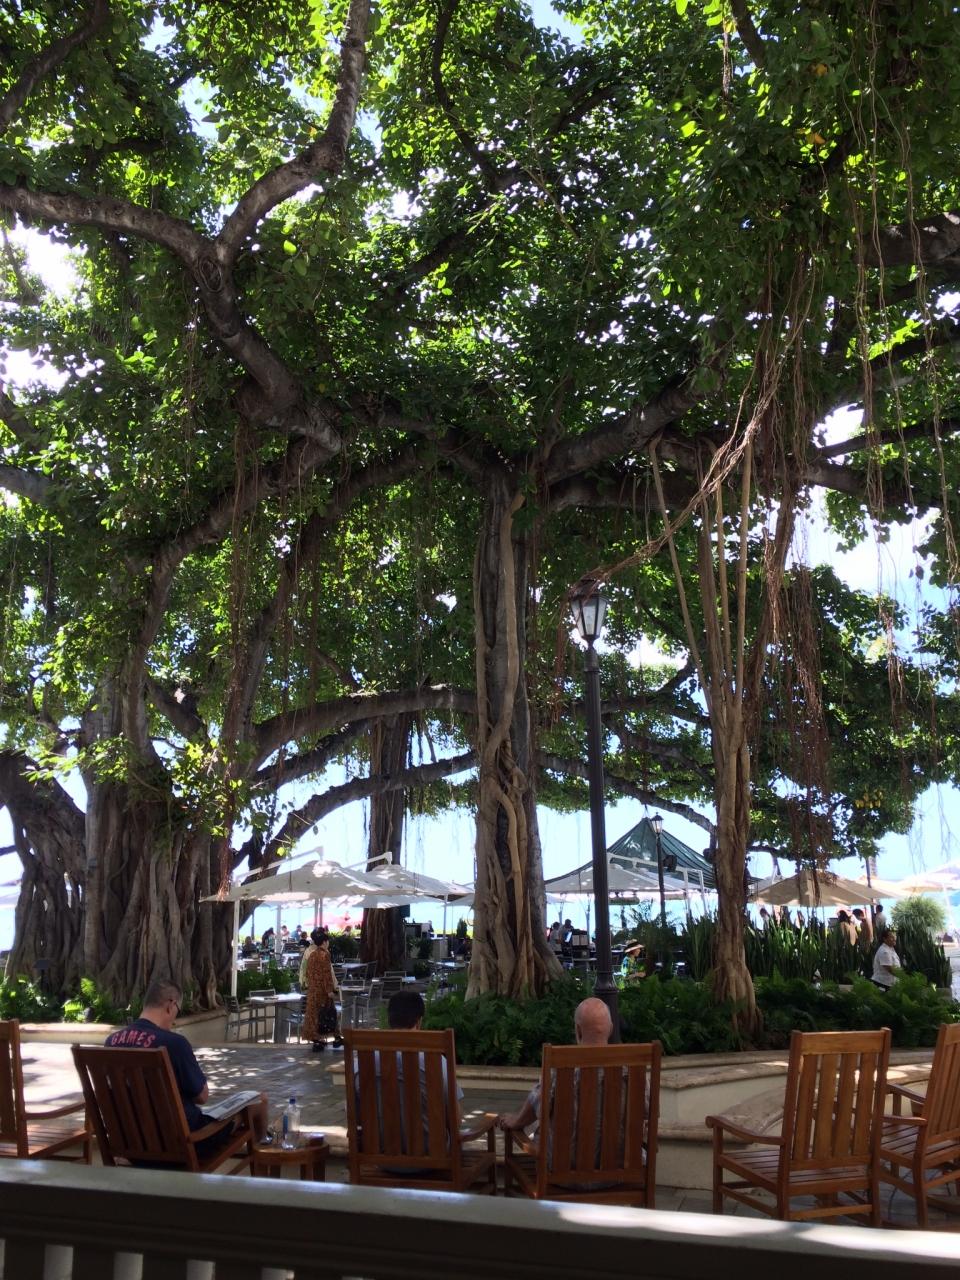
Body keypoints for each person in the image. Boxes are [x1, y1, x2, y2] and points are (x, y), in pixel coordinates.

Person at [104, 977, 267, 1159]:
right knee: (258, 1101)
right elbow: (202, 1097)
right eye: (178, 1011)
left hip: (132, 1147)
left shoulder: (111, 1042)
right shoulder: (174, 1043)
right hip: (184, 1144)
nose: (174, 1020)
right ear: (170, 1005)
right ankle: (264, 1163)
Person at [497, 997, 613, 1136]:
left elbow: (538, 1104)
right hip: (621, 1151)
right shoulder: (628, 1072)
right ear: (611, 1029)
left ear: (578, 1030)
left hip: (565, 1150)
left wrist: (516, 1121)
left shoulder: (562, 1071)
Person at [302, 927, 341, 1051]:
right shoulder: (325, 954)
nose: (328, 943)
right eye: (327, 941)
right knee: (327, 1014)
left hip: (312, 990)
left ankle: (320, 1040)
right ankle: (334, 1038)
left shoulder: (312, 954)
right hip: (322, 992)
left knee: (314, 1016)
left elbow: (307, 973)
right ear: (324, 942)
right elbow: (326, 974)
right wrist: (330, 990)